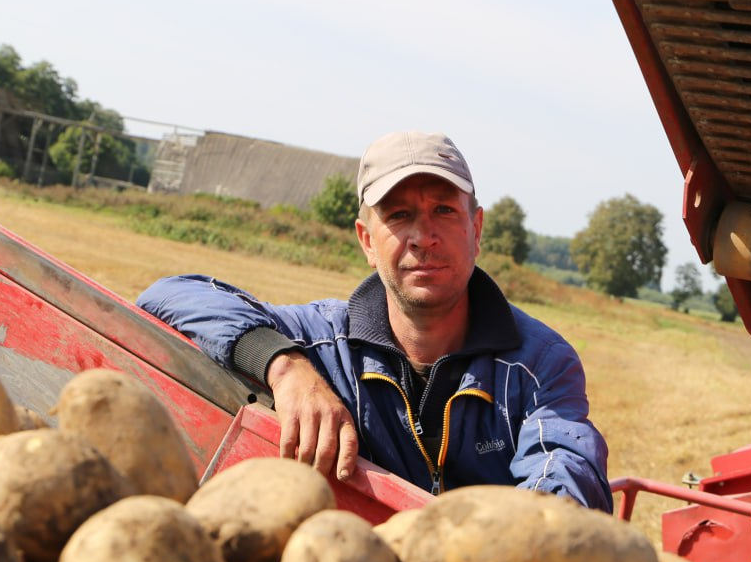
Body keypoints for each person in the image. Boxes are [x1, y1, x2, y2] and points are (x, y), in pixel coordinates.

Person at [137, 130, 612, 512]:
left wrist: (525, 531)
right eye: (399, 216)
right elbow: (170, 295)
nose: (423, 237)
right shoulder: (324, 342)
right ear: (367, 240)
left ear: (477, 229)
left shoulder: (539, 364)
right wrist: (283, 367)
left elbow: (566, 466)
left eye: (444, 211)